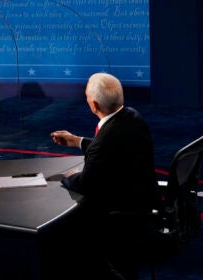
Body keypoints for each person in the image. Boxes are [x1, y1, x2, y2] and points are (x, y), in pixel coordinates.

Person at [50, 72, 160, 280]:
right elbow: (113, 146)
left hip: (122, 213)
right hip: (143, 198)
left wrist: (67, 177)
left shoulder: (106, 139)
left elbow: (86, 184)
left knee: (68, 227)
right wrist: (76, 141)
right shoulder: (132, 117)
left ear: (94, 105)